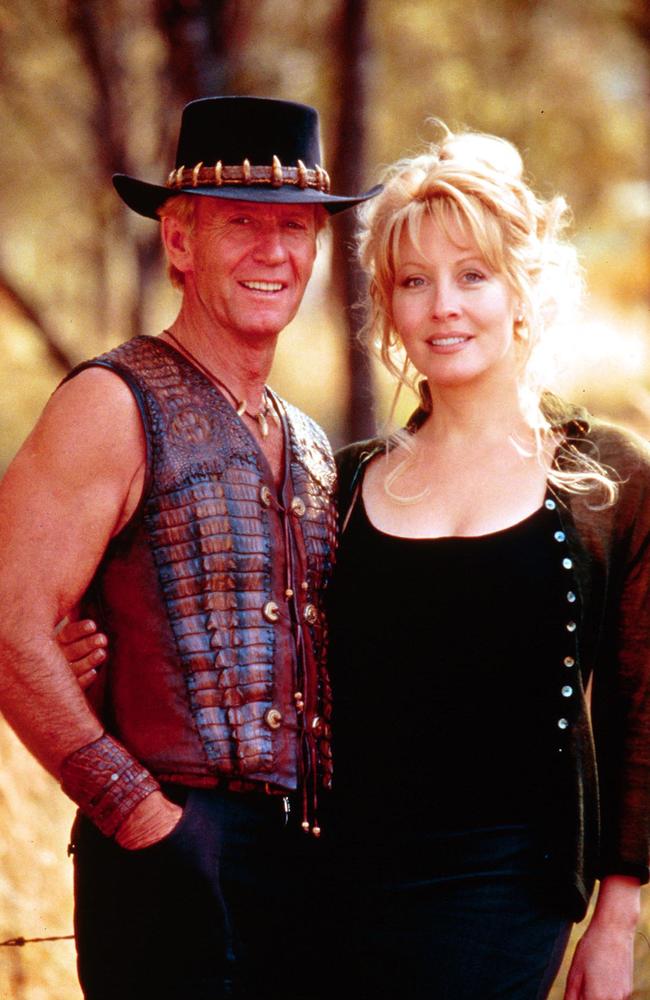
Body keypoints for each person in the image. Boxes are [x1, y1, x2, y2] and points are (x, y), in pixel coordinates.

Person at [62, 122, 650, 999]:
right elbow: (237, 644)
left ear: (524, 291)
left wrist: (616, 919)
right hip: (323, 882)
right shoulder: (339, 483)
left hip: (502, 888)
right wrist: (90, 660)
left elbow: (643, 706)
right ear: (388, 306)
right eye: (414, 282)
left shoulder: (608, 478)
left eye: (473, 276)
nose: (443, 306)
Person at [0, 95, 380, 1000]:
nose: (275, 252)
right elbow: (11, 626)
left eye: (296, 228)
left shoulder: (313, 442)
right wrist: (141, 821)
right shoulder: (110, 401)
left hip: (305, 860)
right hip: (169, 838)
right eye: (242, 223)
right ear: (178, 241)